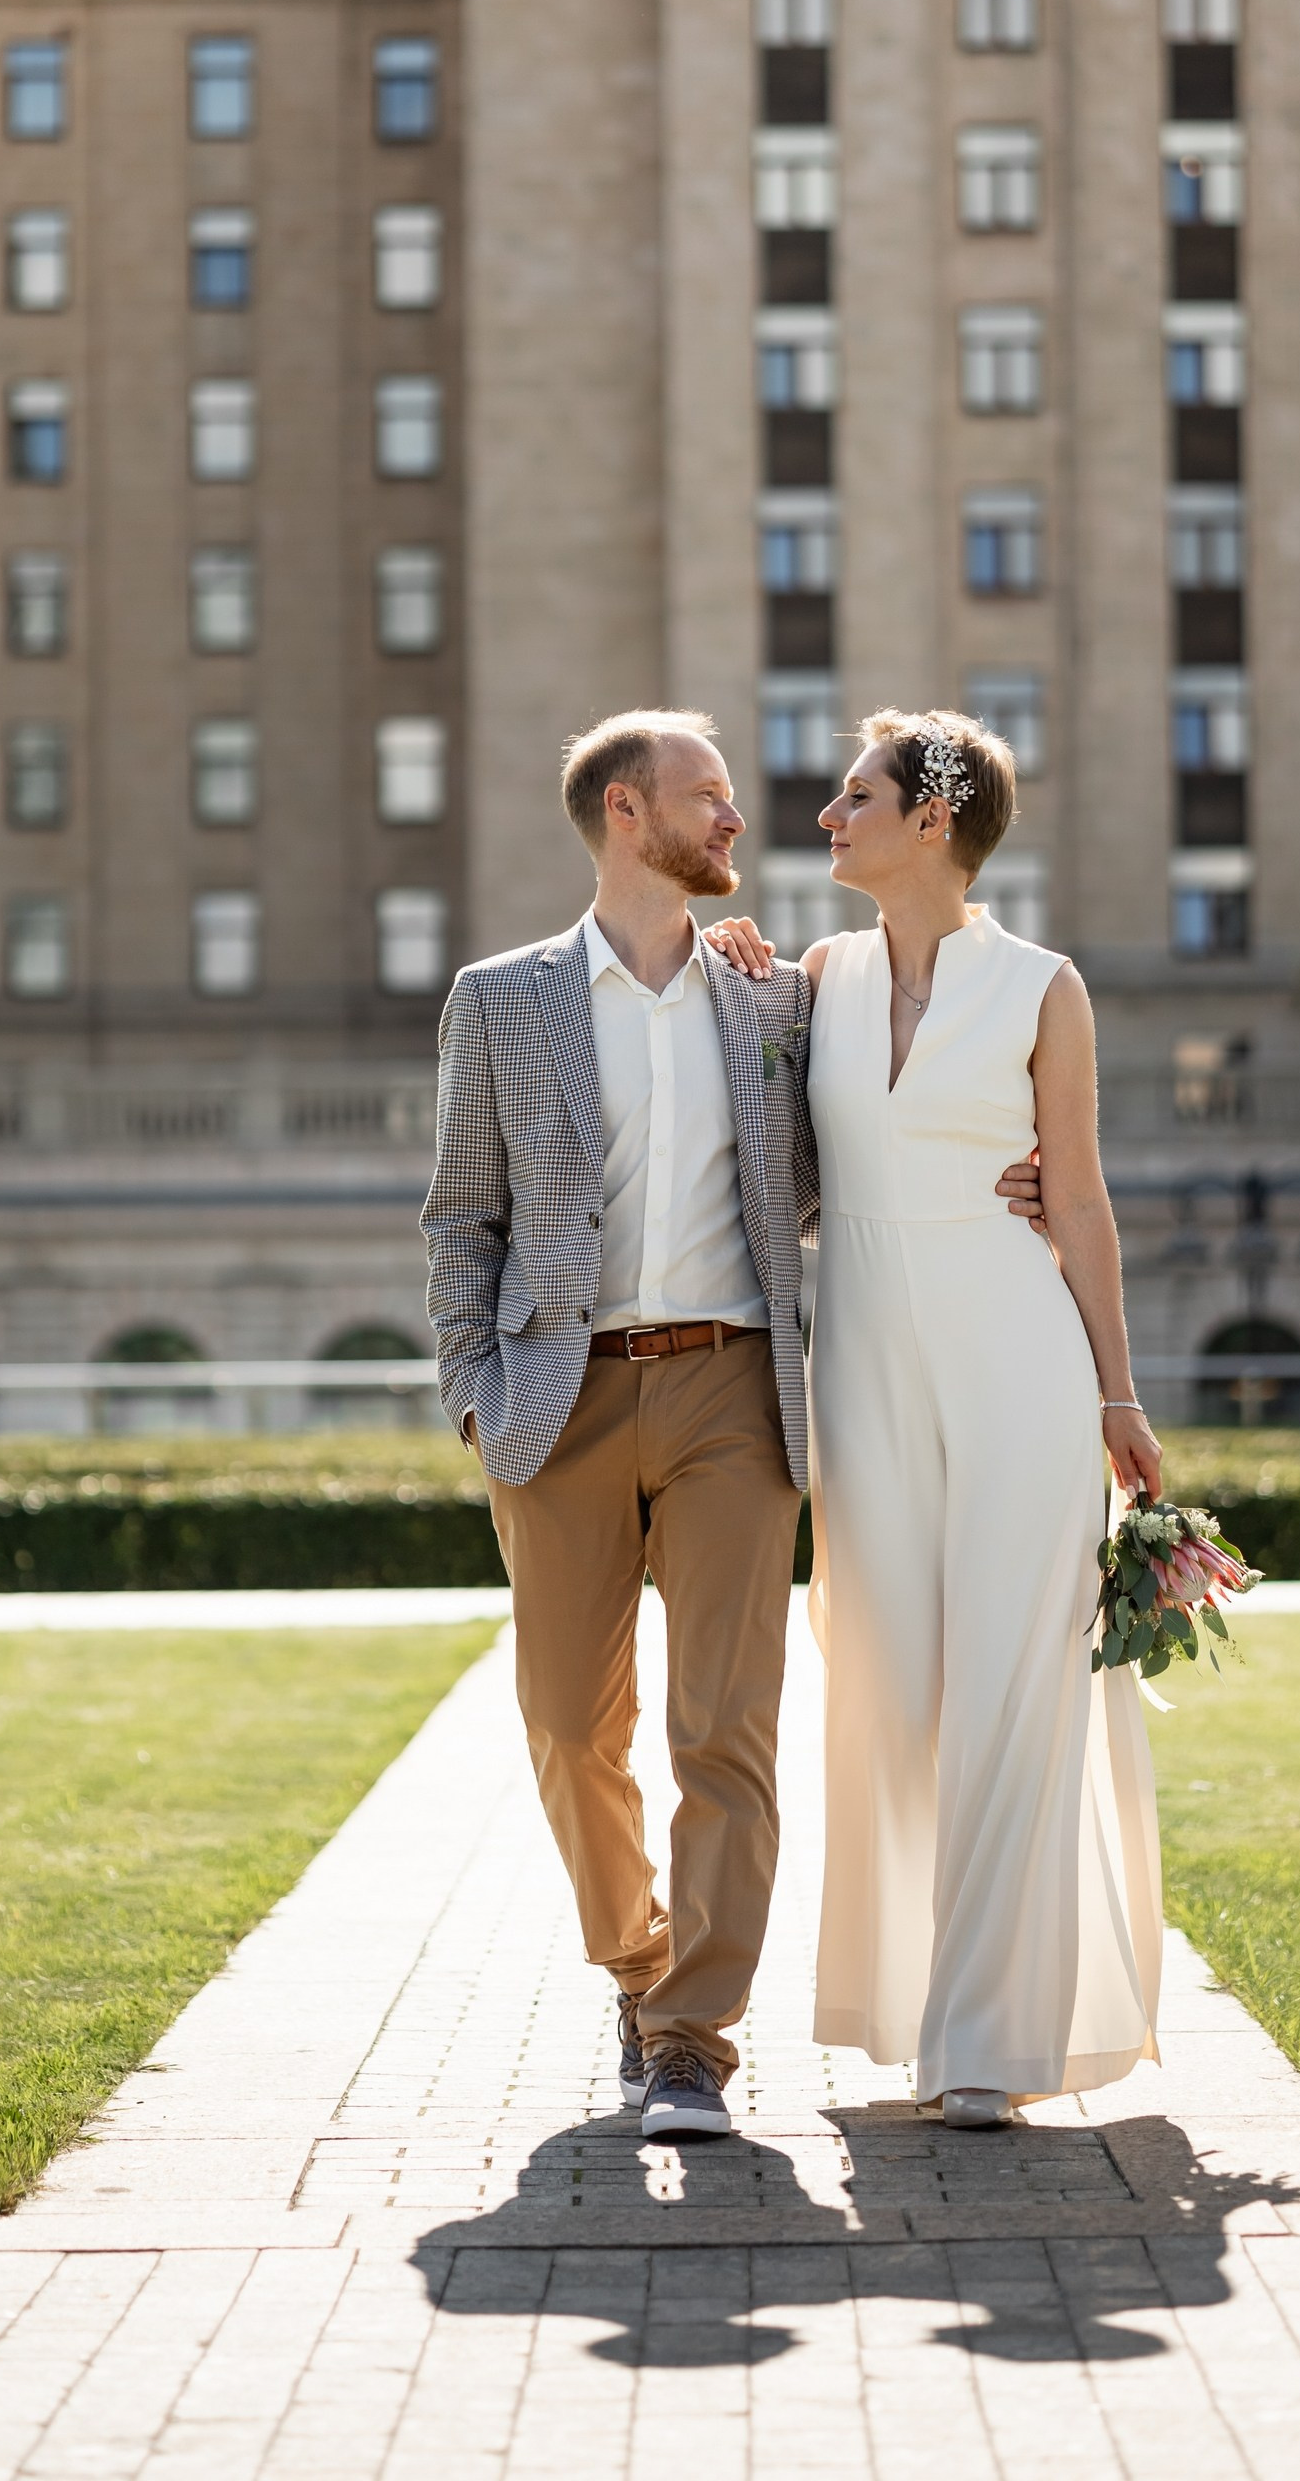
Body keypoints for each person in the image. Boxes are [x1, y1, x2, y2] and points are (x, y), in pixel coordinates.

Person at [421, 707, 1045, 2141]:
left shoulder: (776, 1000)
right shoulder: (501, 1000)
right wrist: (471, 1384)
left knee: (728, 1733)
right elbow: (463, 1215)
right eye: (707, 798)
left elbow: (857, 1155)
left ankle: (694, 2040)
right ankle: (641, 1968)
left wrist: (1000, 1185)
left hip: (733, 1393)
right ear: (628, 817)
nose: (737, 822)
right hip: (555, 1395)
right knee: (568, 1729)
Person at [704, 707, 1163, 2128]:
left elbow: (1076, 1197)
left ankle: (986, 2040)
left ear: (932, 820)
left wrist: (1118, 1390)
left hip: (1019, 1354)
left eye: (855, 796)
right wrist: (727, 972)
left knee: (1018, 1685)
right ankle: (914, 2001)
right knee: (891, 1684)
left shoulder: (1044, 988)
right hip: (864, 1364)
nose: (827, 815)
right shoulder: (815, 978)